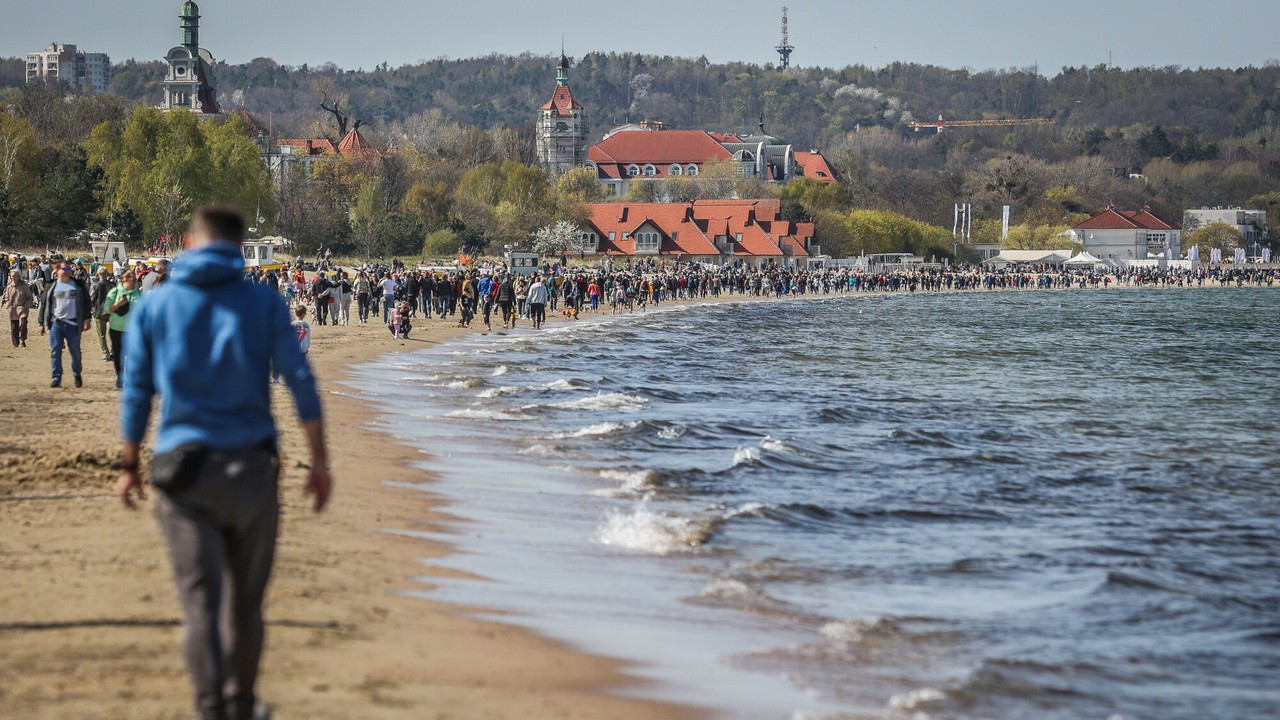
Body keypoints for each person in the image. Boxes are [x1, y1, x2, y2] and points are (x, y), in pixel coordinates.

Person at [115, 206, 332, 720]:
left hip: (183, 470)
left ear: (190, 244)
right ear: (239, 250)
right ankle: (242, 705)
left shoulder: (157, 303)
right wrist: (320, 460)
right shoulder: (263, 300)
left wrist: (127, 463)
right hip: (252, 467)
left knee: (200, 607)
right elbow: (300, 381)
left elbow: (137, 392)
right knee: (245, 606)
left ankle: (212, 708)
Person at [38, 261, 92, 388]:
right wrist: (41, 323)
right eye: (64, 268)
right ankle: (56, 378)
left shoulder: (78, 285)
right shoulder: (51, 286)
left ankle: (77, 374)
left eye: (69, 268)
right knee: (55, 351)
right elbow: (44, 305)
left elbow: (86, 302)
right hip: (56, 324)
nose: (67, 270)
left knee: (75, 352)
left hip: (73, 324)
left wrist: (87, 318)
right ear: (57, 271)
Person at [104, 270, 141, 389]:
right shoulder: (115, 292)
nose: (135, 281)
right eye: (133, 279)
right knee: (118, 354)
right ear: (124, 280)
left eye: (136, 280)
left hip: (133, 330)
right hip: (117, 329)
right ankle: (120, 377)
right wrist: (118, 304)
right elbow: (106, 309)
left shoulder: (138, 293)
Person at [3, 269, 35, 347]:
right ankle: (15, 343)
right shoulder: (9, 286)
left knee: (23, 322)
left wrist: (26, 306)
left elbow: (30, 297)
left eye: (14, 276)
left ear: (18, 276)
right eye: (11, 276)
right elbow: (6, 298)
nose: (13, 277)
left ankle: (22, 339)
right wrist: (7, 304)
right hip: (12, 308)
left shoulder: (24, 286)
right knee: (14, 326)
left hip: (22, 307)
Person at [91, 267, 116, 361]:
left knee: (101, 335)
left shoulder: (95, 285)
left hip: (99, 312)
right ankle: (113, 351)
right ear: (107, 274)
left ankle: (105, 353)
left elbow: (92, 299)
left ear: (98, 274)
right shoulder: (112, 285)